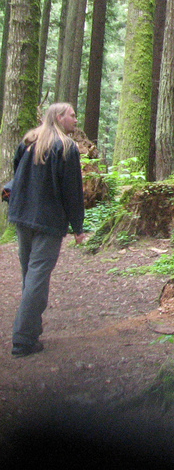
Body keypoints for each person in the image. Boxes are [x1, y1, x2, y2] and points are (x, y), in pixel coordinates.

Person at [8, 102, 86, 358]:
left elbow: (17, 172)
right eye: (72, 115)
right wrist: (78, 227)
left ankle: (30, 329)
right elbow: (72, 190)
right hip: (47, 221)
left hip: (23, 216)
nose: (76, 119)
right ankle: (23, 339)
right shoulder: (65, 147)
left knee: (30, 276)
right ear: (59, 117)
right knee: (36, 277)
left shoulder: (30, 141)